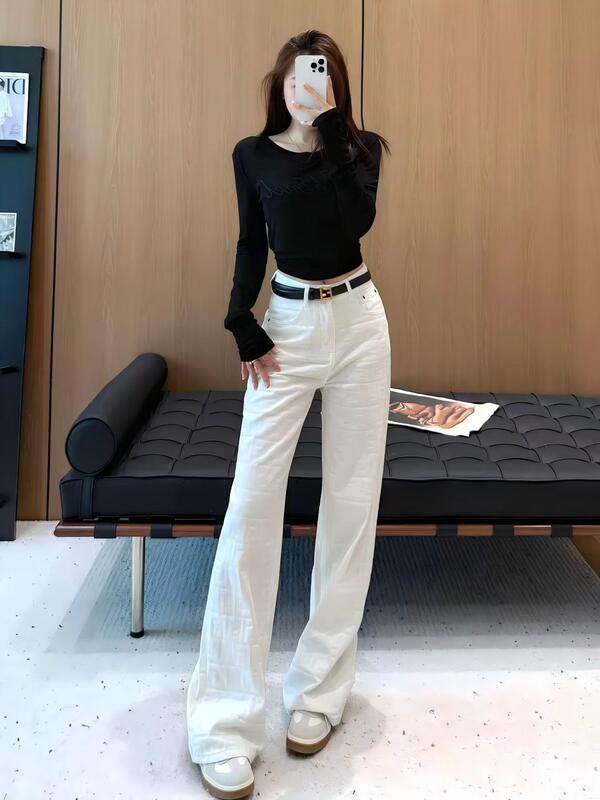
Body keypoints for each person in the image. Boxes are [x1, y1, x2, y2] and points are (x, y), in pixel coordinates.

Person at [186, 29, 391, 799]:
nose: (310, 83)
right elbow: (252, 242)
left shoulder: (360, 149)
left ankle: (319, 695)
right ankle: (222, 721)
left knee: (351, 504)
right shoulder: (250, 155)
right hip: (288, 329)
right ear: (280, 81)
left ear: (337, 85)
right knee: (251, 508)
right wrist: (239, 317)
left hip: (360, 323)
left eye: (323, 75)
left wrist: (330, 131)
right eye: (302, 74)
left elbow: (355, 223)